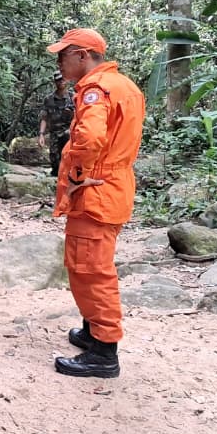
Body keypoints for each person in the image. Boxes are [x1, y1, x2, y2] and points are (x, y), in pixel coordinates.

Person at [49, 28, 144, 379]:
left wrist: (76, 173)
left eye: (63, 54)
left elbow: (89, 138)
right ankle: (92, 332)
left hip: (97, 191)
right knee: (90, 263)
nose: (59, 61)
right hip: (114, 186)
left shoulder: (96, 89)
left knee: (91, 269)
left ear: (83, 56)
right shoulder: (125, 86)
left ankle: (104, 352)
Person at [38, 72, 75, 178]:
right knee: (54, 161)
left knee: (69, 157)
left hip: (69, 132)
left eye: (63, 79)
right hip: (54, 133)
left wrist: (72, 114)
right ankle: (55, 180)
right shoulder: (49, 99)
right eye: (58, 80)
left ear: (67, 81)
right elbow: (44, 117)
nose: (61, 82)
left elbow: (82, 116)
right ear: (55, 82)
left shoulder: (74, 97)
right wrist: (41, 134)